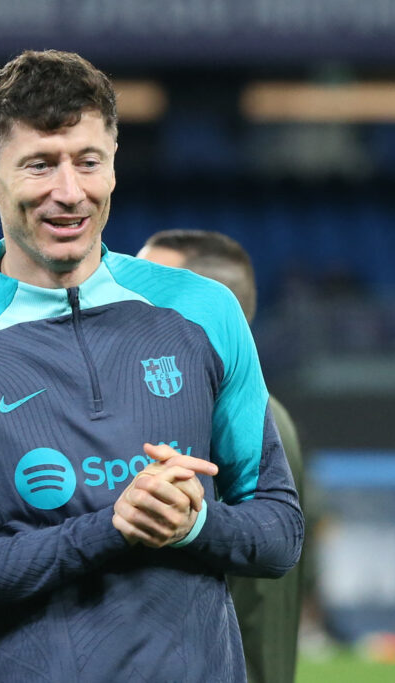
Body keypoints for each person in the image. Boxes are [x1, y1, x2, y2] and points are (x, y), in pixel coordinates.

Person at [0, 49, 303, 682]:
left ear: (114, 166)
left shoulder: (204, 312)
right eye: (39, 165)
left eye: (87, 162)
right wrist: (108, 530)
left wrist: (192, 524)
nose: (68, 193)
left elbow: (280, 530)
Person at [138, 229, 306, 683]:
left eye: (150, 288)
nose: (124, 297)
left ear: (212, 308)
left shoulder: (238, 422)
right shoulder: (269, 416)